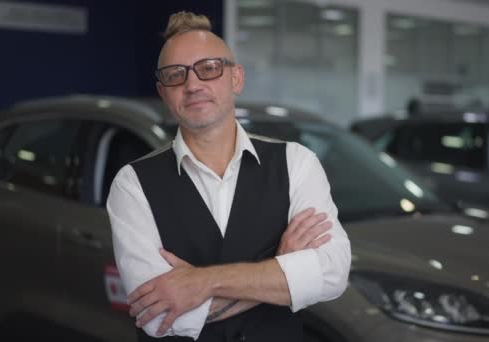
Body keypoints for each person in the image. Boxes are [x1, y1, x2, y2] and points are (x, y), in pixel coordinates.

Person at [106, 11, 351, 342]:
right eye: (176, 75)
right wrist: (280, 268)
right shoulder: (132, 184)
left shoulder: (296, 163)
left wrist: (201, 283)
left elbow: (331, 274)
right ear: (163, 92)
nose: (193, 85)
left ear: (236, 78)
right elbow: (158, 316)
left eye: (209, 69)